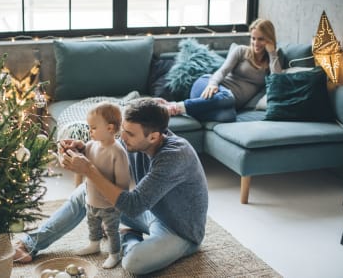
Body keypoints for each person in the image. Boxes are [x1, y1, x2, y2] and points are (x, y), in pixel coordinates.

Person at [14, 98, 208, 275]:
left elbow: (134, 205)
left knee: (133, 264)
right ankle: (30, 244)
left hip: (179, 230)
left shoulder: (175, 155)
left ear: (154, 137)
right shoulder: (136, 141)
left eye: (129, 133)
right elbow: (111, 150)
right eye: (122, 129)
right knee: (85, 192)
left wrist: (88, 170)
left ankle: (128, 235)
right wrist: (82, 148)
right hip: (150, 212)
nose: (122, 136)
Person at [161, 18, 282, 122]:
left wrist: (272, 53)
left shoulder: (273, 60)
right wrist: (212, 84)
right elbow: (222, 71)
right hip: (207, 87)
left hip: (225, 104)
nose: (256, 43)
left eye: (260, 39)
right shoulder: (241, 51)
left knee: (229, 116)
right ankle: (177, 107)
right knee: (227, 96)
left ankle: (187, 109)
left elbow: (277, 81)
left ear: (269, 39)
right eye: (253, 38)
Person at [72, 101, 130, 268]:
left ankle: (114, 253)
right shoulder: (90, 145)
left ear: (110, 129)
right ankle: (94, 244)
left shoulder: (118, 152)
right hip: (91, 200)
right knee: (92, 224)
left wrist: (117, 204)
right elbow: (79, 165)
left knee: (112, 231)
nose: (90, 131)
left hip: (109, 205)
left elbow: (123, 185)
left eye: (93, 128)